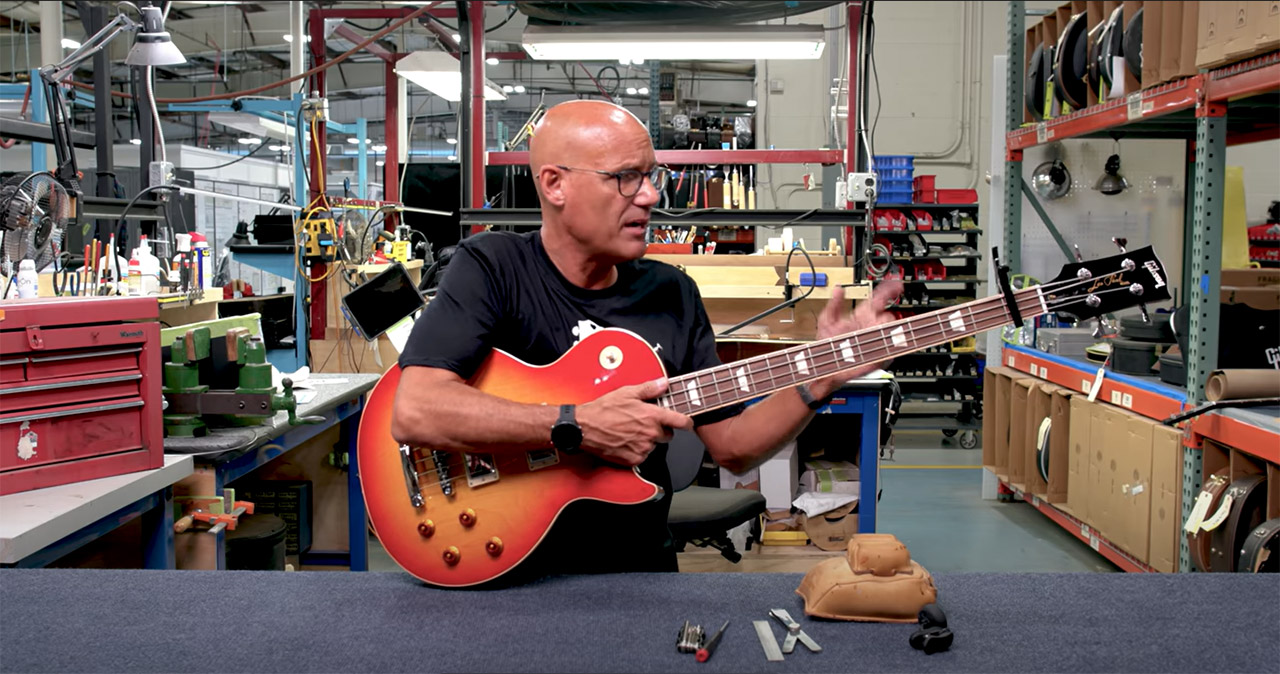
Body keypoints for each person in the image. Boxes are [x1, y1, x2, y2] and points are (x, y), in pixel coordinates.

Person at [392, 100, 900, 579]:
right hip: (507, 567)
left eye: (650, 177)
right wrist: (576, 424)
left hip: (637, 569)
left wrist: (819, 376)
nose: (651, 196)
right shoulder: (492, 267)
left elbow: (733, 449)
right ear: (554, 184)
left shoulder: (671, 293)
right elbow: (416, 410)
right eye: (625, 177)